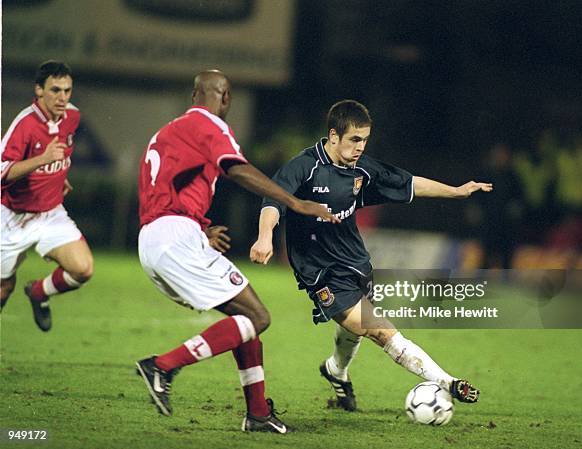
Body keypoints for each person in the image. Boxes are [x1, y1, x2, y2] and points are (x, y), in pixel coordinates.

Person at [250, 100, 492, 412]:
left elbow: (408, 183)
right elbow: (273, 199)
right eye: (354, 139)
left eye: (365, 139)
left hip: (356, 262)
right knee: (376, 328)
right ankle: (448, 382)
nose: (361, 147)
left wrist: (456, 191)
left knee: (356, 327)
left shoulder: (362, 170)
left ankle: (335, 371)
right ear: (334, 136)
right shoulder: (304, 166)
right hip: (319, 270)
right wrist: (265, 235)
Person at [135, 70, 338, 434]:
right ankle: (163, 365)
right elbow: (237, 170)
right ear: (225, 98)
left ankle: (258, 413)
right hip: (175, 238)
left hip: (156, 237)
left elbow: (165, 189)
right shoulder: (210, 125)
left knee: (246, 316)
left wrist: (199, 227)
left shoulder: (166, 131)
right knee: (258, 316)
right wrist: (295, 202)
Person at [1, 60, 94, 332]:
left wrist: (59, 178)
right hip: (12, 217)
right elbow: (3, 172)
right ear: (38, 90)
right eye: (55, 90)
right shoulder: (25, 125)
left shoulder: (72, 117)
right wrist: (41, 160)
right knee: (4, 288)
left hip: (51, 214)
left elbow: (61, 153)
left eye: (67, 91)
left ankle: (39, 292)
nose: (62, 97)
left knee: (82, 269)